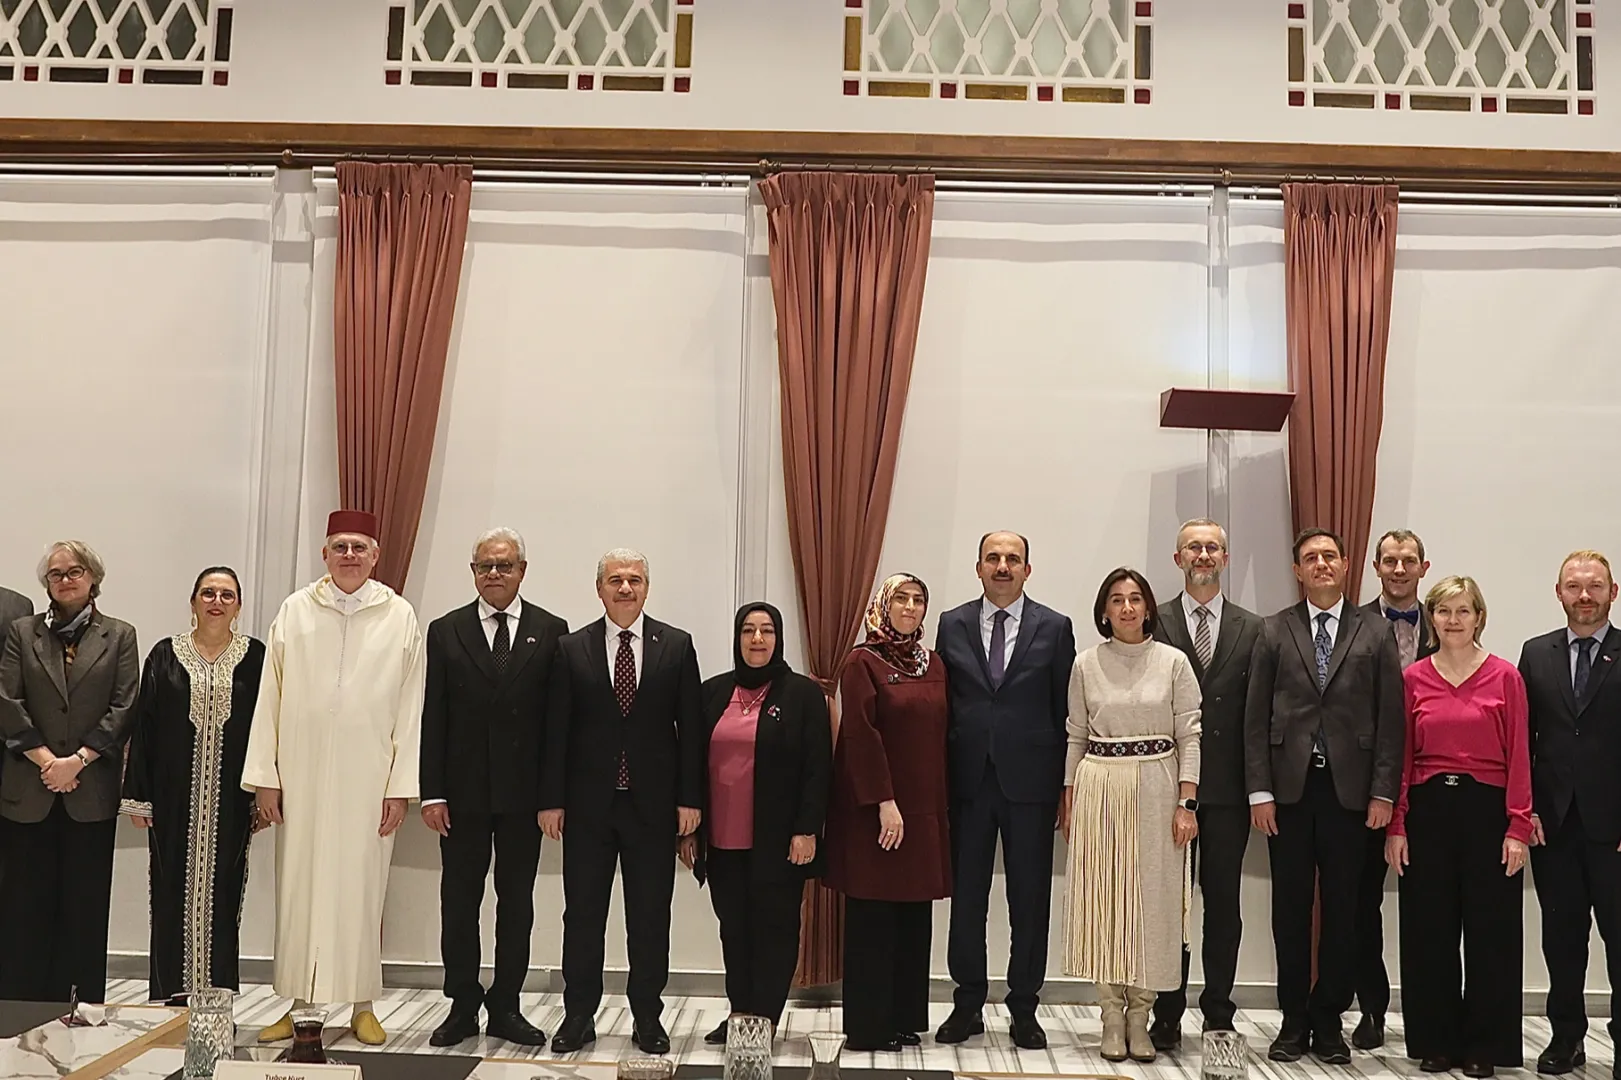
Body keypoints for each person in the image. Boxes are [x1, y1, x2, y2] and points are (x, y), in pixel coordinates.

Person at [243, 510, 425, 1047]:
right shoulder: (295, 610)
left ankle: (363, 1004)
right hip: (300, 775)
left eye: (359, 547)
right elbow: (270, 695)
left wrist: (400, 787)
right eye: (340, 547)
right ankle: (300, 1007)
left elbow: (411, 707)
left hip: (369, 780)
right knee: (299, 891)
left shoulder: (399, 615)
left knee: (363, 892)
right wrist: (267, 776)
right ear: (324, 554)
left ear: (375, 555)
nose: (349, 555)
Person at [1245, 527, 1404, 1065]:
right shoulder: (1272, 630)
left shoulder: (1375, 632)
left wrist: (1383, 792)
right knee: (1289, 911)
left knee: (1345, 911)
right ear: (1297, 570)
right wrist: (1259, 791)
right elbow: (1255, 717)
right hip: (1288, 795)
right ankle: (1293, 1020)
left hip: (1352, 796)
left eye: (1330, 556)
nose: (1321, 564)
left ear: (1346, 564)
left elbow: (1390, 722)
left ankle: (1329, 1017)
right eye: (1310, 557)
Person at [541, 548, 703, 1056]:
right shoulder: (571, 648)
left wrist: (690, 800)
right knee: (582, 916)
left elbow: (691, 730)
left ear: (647, 587)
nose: (625, 588)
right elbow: (556, 732)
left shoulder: (676, 646)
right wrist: (550, 800)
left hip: (653, 809)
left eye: (634, 579)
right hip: (588, 808)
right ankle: (578, 1016)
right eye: (615, 579)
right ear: (600, 588)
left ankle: (648, 1017)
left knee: (650, 917)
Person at [421, 528, 567, 1048]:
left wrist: (553, 797)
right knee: (459, 902)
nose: (495, 574)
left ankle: (506, 1004)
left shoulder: (552, 631)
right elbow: (433, 715)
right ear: (473, 572)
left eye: (505, 565)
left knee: (516, 903)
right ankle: (462, 1004)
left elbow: (557, 725)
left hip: (525, 800)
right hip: (461, 798)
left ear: (522, 570)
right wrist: (432, 792)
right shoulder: (446, 630)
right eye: (485, 566)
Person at [934, 532, 1075, 1051]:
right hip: (967, 782)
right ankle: (967, 1002)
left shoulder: (1054, 627)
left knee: (1029, 900)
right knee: (967, 900)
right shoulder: (951, 624)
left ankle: (1024, 1007)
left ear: (1027, 570)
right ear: (978, 567)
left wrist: (1064, 787)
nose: (1002, 566)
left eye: (1013, 559)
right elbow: (941, 703)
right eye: (992, 558)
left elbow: (1066, 712)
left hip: (1031, 785)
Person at [1386, 576, 1529, 1078]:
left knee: (1492, 933)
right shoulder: (1413, 678)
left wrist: (1518, 826)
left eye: (1463, 611)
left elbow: (1520, 756)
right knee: (1429, 931)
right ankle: (1436, 1040)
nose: (1453, 620)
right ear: (1432, 617)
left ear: (1479, 617)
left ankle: (1485, 1045)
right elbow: (1402, 758)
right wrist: (1397, 824)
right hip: (1428, 812)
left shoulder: (1506, 677)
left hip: (1487, 811)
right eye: (1444, 611)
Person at [1061, 568, 1200, 1064]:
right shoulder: (1086, 663)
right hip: (1100, 786)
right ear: (1104, 610)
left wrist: (1187, 803)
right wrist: (1069, 796)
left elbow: (1189, 735)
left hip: (1158, 786)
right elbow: (1076, 735)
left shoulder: (1173, 662)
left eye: (1135, 598)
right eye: (1116, 599)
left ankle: (1141, 1016)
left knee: (1153, 904)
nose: (1126, 608)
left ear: (1147, 608)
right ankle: (1111, 1017)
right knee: (1105, 901)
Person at [680, 602, 830, 1043]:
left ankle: (764, 1020)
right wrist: (689, 830)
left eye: (767, 630)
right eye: (748, 630)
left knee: (776, 932)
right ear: (737, 638)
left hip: (779, 842)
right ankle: (740, 1015)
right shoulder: (712, 693)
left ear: (778, 638)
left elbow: (818, 767)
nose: (758, 639)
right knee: (735, 932)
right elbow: (690, 762)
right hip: (722, 842)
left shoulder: (802, 695)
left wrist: (807, 829)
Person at [0, 540, 139, 1003]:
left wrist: (76, 761)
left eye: (74, 571)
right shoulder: (22, 632)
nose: (65, 580)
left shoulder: (120, 635)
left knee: (84, 908)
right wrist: (48, 762)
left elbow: (123, 707)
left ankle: (81, 1007)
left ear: (93, 577)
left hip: (89, 790)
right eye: (56, 574)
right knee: (24, 910)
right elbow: (8, 702)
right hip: (29, 789)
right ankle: (21, 1008)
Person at [121, 567, 265, 1003]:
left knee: (225, 897)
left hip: (233, 802)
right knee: (169, 895)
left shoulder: (255, 658)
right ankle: (171, 1001)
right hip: (172, 801)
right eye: (208, 593)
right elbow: (144, 727)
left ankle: (216, 1005)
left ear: (238, 606)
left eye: (226, 595)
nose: (216, 601)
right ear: (193, 601)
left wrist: (265, 791)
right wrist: (139, 798)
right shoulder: (165, 655)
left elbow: (269, 728)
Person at [824, 573, 950, 1053]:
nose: (911, 607)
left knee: (913, 919)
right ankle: (868, 1027)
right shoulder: (863, 661)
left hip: (923, 813)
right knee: (873, 921)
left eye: (919, 600)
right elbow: (860, 734)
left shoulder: (932, 663)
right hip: (877, 814)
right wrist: (884, 801)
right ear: (883, 606)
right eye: (901, 598)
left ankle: (903, 1018)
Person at [1149, 520, 1262, 1050]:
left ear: (1225, 557)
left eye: (1212, 547)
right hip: (1165, 790)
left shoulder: (1253, 628)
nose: (1203, 555)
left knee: (1222, 907)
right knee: (1170, 906)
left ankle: (1219, 1010)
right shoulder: (1153, 621)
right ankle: (1166, 1012)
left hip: (1229, 794)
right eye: (1193, 547)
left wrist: (1259, 789)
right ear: (1178, 559)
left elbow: (1258, 716)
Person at [1520, 549, 1621, 1078]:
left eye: (1595, 586)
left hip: (1614, 828)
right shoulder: (1536, 654)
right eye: (1574, 586)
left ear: (1613, 593)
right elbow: (1522, 740)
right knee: (1561, 940)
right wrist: (1525, 810)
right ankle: (1566, 1037)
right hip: (1553, 825)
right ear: (1558, 593)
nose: (1585, 596)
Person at [1352, 527, 1437, 1051]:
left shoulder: (1450, 622)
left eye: (1408, 560)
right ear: (1376, 567)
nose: (1399, 569)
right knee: (1363, 906)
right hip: (1368, 788)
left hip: (1431, 789)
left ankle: (1431, 1016)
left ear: (1424, 567)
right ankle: (1371, 1009)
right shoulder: (1354, 625)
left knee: (1429, 906)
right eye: (1390, 561)